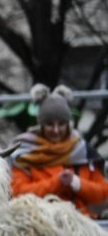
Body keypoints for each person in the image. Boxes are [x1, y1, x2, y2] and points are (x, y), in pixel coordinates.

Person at [8, 84, 108, 217]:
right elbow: (17, 193)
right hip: (40, 226)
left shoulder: (83, 152)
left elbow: (102, 193)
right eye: (50, 124)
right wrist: (56, 182)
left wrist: (77, 183)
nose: (56, 130)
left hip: (83, 227)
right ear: (41, 125)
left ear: (68, 125)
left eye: (61, 124)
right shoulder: (24, 153)